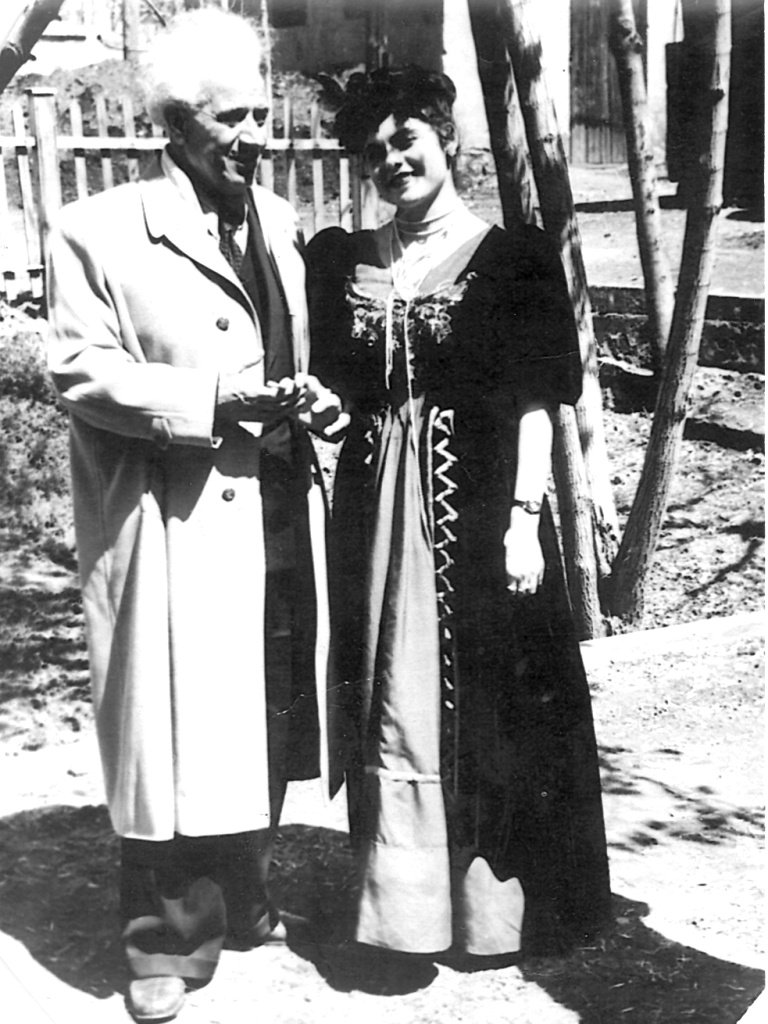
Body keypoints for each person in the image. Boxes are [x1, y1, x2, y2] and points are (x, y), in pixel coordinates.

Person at [46, 10, 346, 1022]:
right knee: (170, 727)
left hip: (273, 501)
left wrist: (312, 401)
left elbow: (292, 349)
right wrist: (212, 399)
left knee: (262, 706)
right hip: (170, 519)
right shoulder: (98, 229)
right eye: (231, 118)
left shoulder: (280, 222)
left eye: (261, 115)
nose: (253, 135)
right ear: (175, 122)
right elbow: (79, 371)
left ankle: (241, 897)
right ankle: (160, 941)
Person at [307, 67, 612, 960]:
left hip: (478, 514)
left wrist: (523, 518)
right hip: (373, 517)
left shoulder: (513, 260)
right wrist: (322, 410)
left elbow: (536, 401)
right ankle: (404, 907)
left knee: (494, 700)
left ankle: (491, 913)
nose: (392, 161)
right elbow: (341, 391)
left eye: (407, 140)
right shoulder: (341, 260)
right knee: (386, 697)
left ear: (446, 141)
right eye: (373, 151)